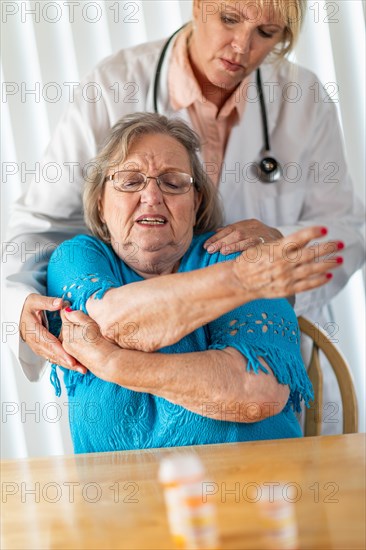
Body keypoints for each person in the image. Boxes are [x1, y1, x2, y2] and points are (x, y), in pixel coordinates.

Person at [4, 0, 364, 385]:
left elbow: (345, 228)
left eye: (266, 33)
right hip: (138, 350)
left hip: (260, 353)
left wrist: (278, 253)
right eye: (229, 19)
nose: (242, 46)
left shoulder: (304, 98)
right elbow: (43, 223)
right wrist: (19, 305)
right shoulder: (113, 86)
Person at [46, 113, 340, 453]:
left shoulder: (234, 250)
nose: (152, 196)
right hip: (122, 501)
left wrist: (116, 364)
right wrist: (241, 281)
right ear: (100, 203)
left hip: (255, 491)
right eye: (130, 182)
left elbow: (257, 393)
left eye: (173, 183)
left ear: (196, 201)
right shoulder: (77, 259)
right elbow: (116, 321)